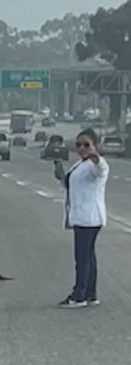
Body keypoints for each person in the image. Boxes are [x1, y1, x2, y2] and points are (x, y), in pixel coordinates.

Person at [54, 128, 109, 308]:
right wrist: (61, 177)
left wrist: (96, 158)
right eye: (79, 145)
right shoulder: (80, 164)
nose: (82, 148)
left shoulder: (96, 165)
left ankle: (79, 295)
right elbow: (73, 186)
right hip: (81, 216)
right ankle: (90, 294)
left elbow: (101, 171)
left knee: (82, 258)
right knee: (88, 257)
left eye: (87, 145)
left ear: (96, 146)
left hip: (89, 218)